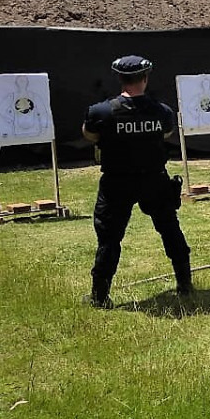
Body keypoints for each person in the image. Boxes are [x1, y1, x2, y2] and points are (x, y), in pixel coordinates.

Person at [82, 55, 192, 309]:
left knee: (109, 238)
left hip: (117, 183)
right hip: (153, 180)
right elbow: (166, 134)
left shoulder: (101, 112)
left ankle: (99, 296)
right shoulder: (162, 111)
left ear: (120, 78)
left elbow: (89, 134)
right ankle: (185, 284)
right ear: (145, 78)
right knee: (169, 228)